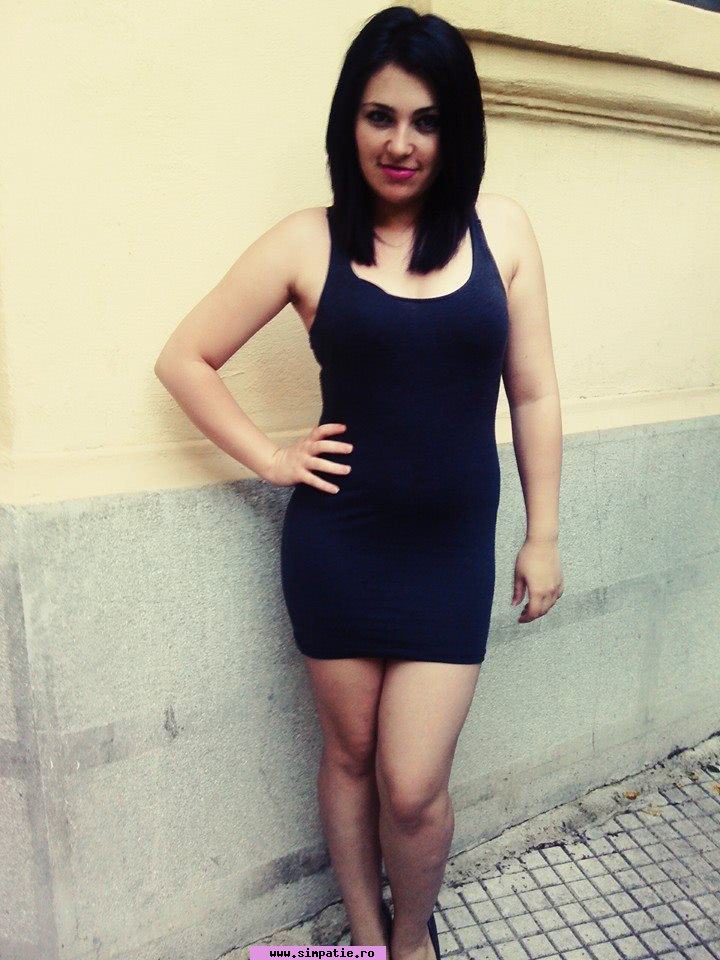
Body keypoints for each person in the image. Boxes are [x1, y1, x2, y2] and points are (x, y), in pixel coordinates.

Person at [155, 6, 564, 960]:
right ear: (350, 121)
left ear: (457, 129)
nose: (401, 143)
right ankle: (367, 939)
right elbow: (184, 359)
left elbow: (535, 392)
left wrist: (543, 533)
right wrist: (270, 457)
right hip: (338, 547)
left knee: (412, 786)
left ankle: (413, 940)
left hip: (450, 555)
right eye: (380, 116)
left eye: (426, 120)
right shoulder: (308, 241)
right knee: (347, 757)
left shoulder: (502, 231)